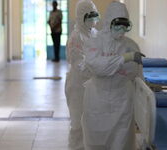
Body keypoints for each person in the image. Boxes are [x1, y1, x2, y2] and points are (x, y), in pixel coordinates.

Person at [81, 1, 145, 150]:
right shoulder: (94, 42)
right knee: (96, 142)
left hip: (122, 101)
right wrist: (124, 58)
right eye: (118, 24)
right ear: (109, 21)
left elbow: (137, 76)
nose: (122, 30)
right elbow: (97, 66)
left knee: (121, 143)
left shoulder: (131, 45)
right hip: (97, 100)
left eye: (125, 25)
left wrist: (140, 110)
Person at [65, 0, 99, 149]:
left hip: (92, 86)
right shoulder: (76, 37)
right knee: (78, 125)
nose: (92, 20)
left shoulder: (94, 33)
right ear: (81, 16)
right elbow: (79, 64)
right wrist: (99, 69)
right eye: (89, 16)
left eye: (94, 15)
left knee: (91, 123)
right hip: (77, 86)